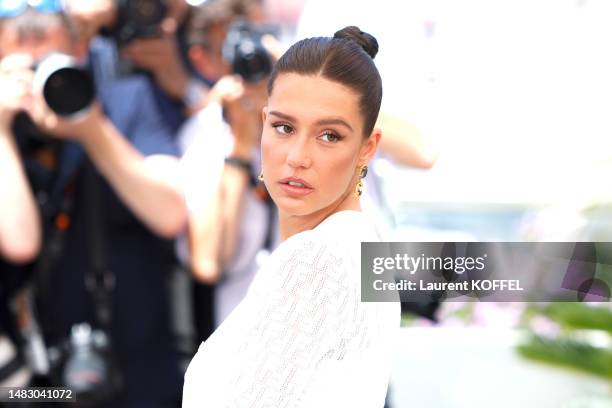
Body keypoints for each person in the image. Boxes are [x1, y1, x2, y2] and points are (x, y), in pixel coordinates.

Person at [182, 26, 400, 407]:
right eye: (284, 127)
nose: (298, 156)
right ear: (262, 122)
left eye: (329, 135)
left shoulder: (317, 260)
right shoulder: (360, 248)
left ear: (368, 147)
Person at [0, 4, 187, 407]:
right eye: (23, 68)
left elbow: (171, 214)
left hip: (138, 376)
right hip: (36, 383)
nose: (40, 83)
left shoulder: (129, 100)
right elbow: (20, 242)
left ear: (80, 50)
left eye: (51, 64)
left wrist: (92, 129)